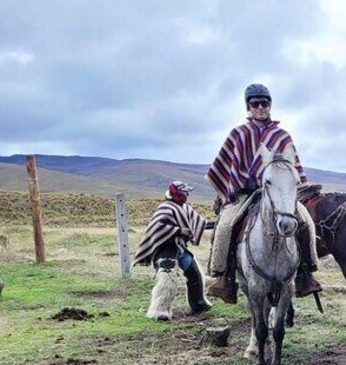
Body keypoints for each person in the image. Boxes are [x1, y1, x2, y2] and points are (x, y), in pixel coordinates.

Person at [204, 83, 321, 304]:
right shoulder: (239, 134)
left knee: (306, 222)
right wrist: (238, 186)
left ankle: (306, 274)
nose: (260, 107)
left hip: (278, 196)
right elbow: (224, 166)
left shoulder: (282, 136)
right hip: (245, 194)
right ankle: (223, 278)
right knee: (225, 226)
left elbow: (292, 168)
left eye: (264, 103)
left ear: (270, 105)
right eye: (255, 103)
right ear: (248, 106)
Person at [133, 180, 212, 321]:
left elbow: (198, 222)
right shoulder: (165, 208)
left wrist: (215, 224)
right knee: (167, 280)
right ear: (178, 192)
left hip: (180, 248)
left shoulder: (184, 208)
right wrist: (178, 230)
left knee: (195, 274)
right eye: (185, 191)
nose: (187, 194)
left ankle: (198, 303)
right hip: (165, 250)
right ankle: (159, 310)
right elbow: (157, 227)